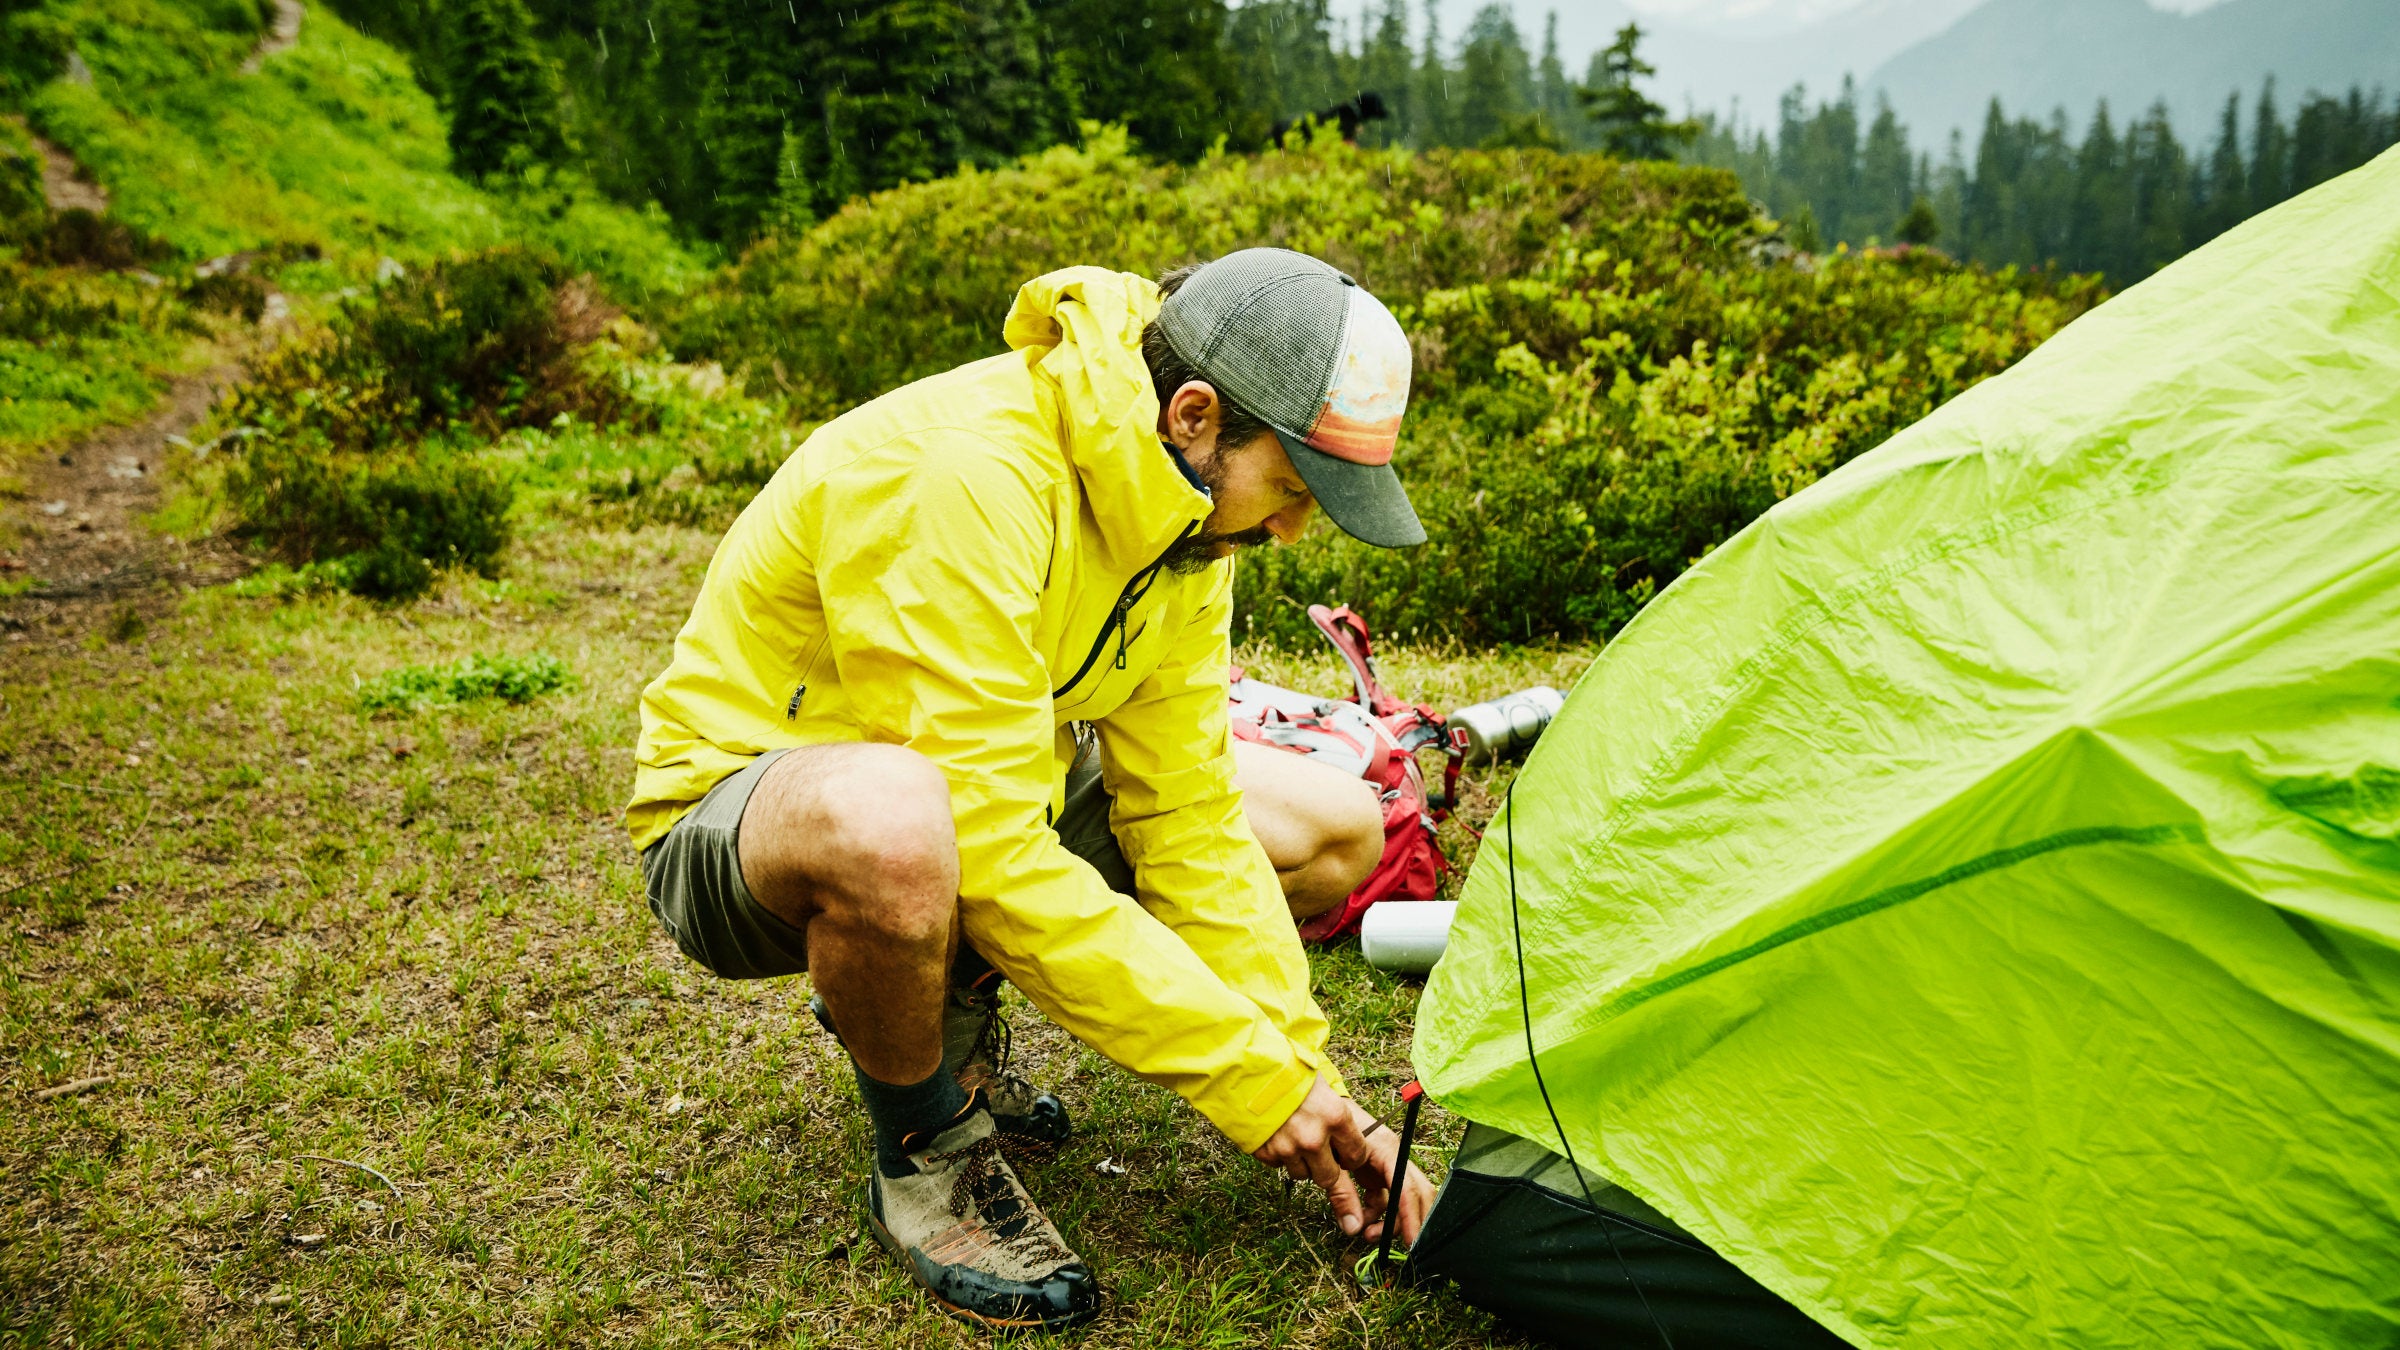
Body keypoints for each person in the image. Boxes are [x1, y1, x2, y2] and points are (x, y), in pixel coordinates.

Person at [625, 248, 1438, 1332]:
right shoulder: (964, 474)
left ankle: (933, 1001)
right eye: (1291, 489)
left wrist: (1307, 1080)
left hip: (965, 785)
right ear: (1194, 414)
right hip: (745, 815)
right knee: (899, 828)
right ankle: (925, 1139)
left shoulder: (1188, 524)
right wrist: (1245, 1084)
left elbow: (1187, 819)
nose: (1291, 528)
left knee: (1322, 824)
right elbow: (993, 849)